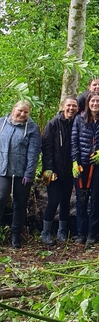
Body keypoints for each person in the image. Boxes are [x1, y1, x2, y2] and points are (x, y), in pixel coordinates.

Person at [71, 92, 99, 245]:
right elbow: (74, 141)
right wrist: (74, 162)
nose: (95, 104)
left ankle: (92, 234)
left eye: (98, 101)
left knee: (96, 199)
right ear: (88, 103)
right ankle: (81, 233)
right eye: (93, 101)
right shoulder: (79, 119)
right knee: (81, 199)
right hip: (82, 165)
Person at [0, 100, 41, 248]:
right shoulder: (2, 123)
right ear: (13, 109)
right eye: (20, 110)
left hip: (22, 172)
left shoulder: (32, 128)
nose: (22, 114)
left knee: (20, 203)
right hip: (2, 169)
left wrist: (29, 173)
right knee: (1, 197)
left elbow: (33, 152)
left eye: (26, 112)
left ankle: (15, 236)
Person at [41, 97, 79, 245]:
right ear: (62, 106)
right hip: (54, 171)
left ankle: (62, 231)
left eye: (74, 106)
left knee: (65, 201)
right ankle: (45, 232)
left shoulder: (77, 123)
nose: (71, 108)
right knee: (53, 200)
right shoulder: (53, 124)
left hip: (70, 170)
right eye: (69, 105)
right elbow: (47, 147)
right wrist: (49, 169)